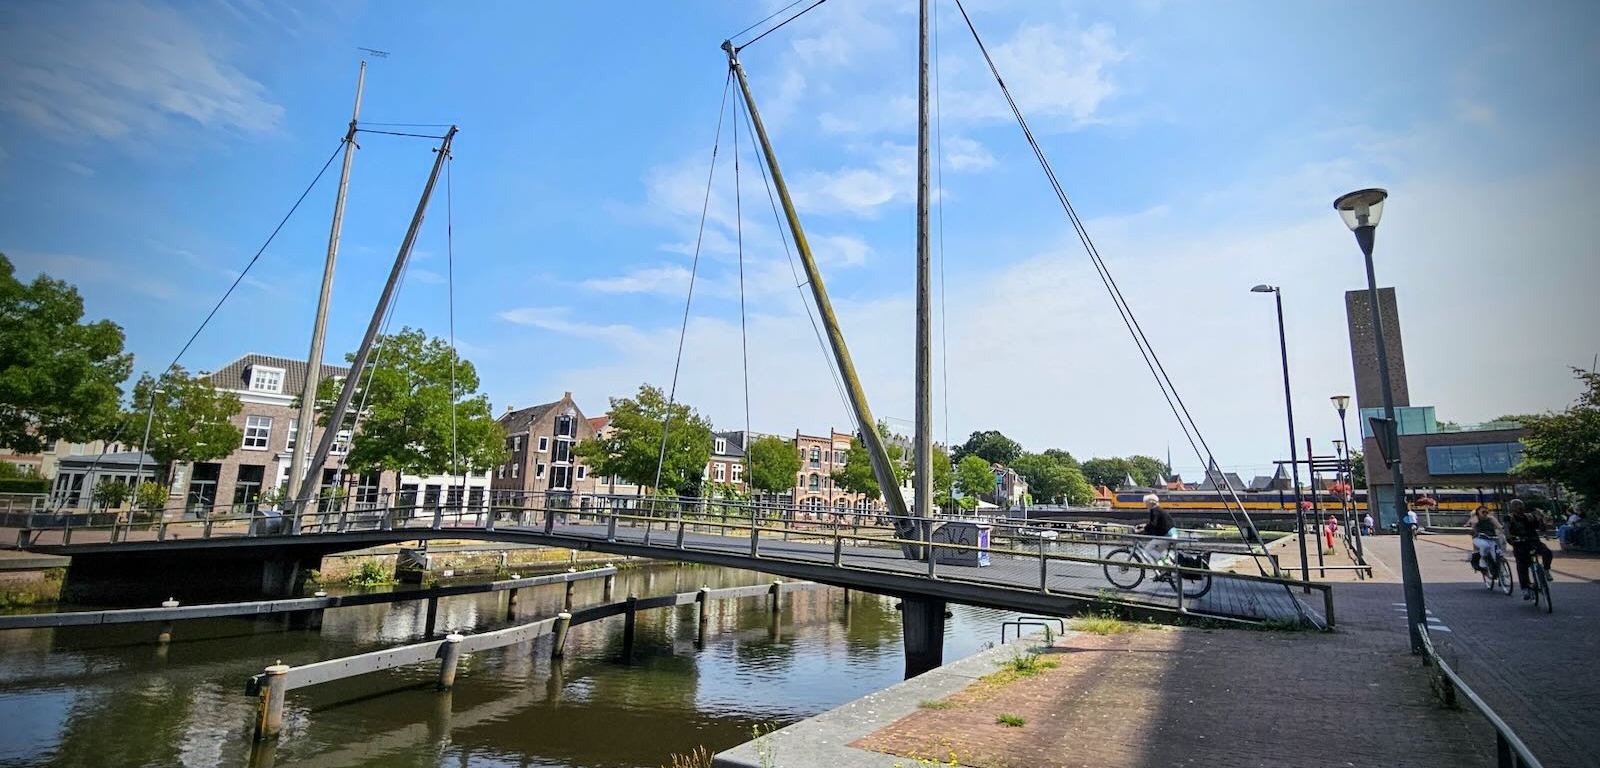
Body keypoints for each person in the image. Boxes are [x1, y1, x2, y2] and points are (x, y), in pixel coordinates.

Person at [1506, 499, 1554, 600]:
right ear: (1512, 507)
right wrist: (1511, 540)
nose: (1519, 507)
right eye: (1516, 505)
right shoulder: (1509, 518)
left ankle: (1546, 569)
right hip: (1519, 543)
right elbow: (1506, 531)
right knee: (1522, 565)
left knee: (1547, 552)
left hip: (1533, 541)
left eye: (1520, 505)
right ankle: (1525, 588)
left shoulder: (1530, 516)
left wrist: (1541, 519)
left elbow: (1540, 528)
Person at [1140, 493, 1178, 568]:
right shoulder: (1158, 510)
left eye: (1146, 503)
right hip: (1171, 535)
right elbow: (1156, 523)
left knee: (1148, 549)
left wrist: (1141, 530)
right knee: (1157, 552)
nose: (1145, 505)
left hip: (1166, 536)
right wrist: (1143, 525)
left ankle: (1166, 562)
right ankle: (1163, 570)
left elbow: (1153, 524)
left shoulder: (1154, 511)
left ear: (1150, 502)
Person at [1469, 506, 1503, 579]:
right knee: (1485, 546)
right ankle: (1483, 561)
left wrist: (1501, 531)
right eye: (1483, 512)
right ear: (1478, 513)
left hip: (1491, 538)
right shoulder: (1475, 519)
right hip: (1479, 538)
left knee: (1498, 551)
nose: (1485, 513)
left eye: (1487, 512)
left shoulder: (1491, 518)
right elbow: (1473, 528)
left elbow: (1499, 526)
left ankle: (1499, 568)